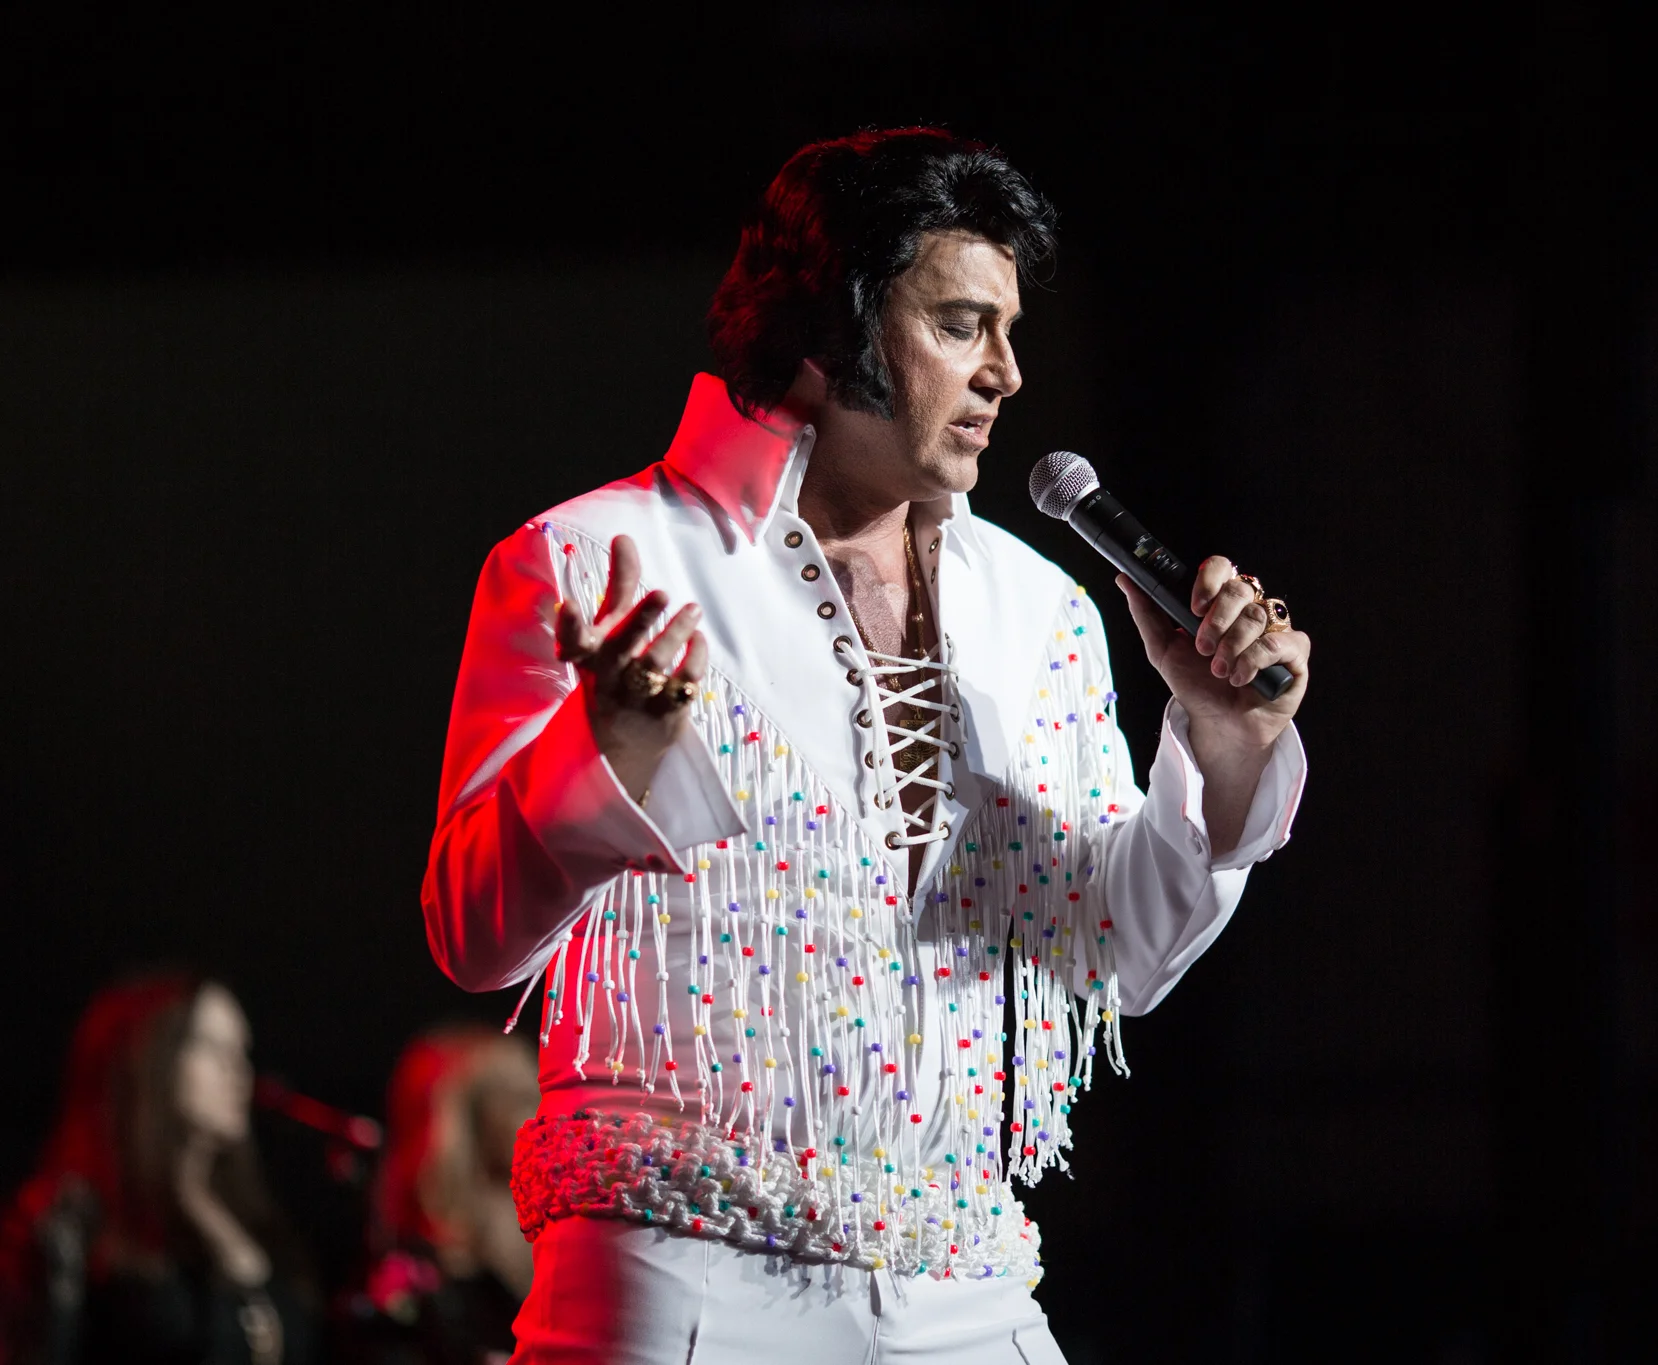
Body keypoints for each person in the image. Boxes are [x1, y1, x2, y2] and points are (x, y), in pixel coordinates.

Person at [421, 127, 1310, 1363]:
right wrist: (602, 754)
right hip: (680, 1276)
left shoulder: (1037, 606)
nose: (1004, 372)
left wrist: (1223, 740)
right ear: (830, 327)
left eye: (1008, 331)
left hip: (965, 1286)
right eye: (958, 324)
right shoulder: (594, 560)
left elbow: (1120, 957)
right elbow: (471, 938)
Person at [0, 974, 316, 1365]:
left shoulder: (255, 1217)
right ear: (149, 1055)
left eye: (241, 1050)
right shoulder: (83, 1214)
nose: (237, 1069)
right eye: (212, 1047)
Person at [335, 1028, 538, 1365]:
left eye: (535, 1095)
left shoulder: (547, 1228)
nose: (534, 1114)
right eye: (513, 1099)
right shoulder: (428, 1262)